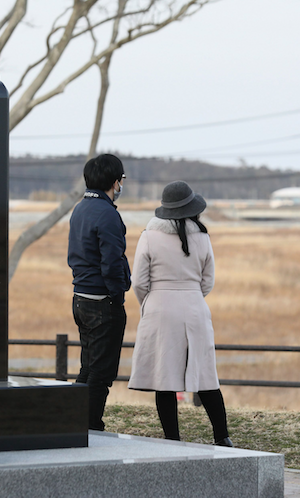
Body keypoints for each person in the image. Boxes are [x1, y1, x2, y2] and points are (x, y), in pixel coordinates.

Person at [128, 180, 232, 447]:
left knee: (164, 377)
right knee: (206, 375)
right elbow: (208, 281)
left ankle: (172, 440)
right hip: (195, 307)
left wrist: (151, 303)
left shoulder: (149, 236)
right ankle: (222, 436)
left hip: (160, 308)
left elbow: (138, 282)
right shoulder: (203, 237)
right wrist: (191, 296)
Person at [67, 153, 131, 431]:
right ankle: (91, 427)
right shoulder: (107, 214)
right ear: (115, 181)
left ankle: (74, 423)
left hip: (80, 298)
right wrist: (118, 297)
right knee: (101, 373)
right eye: (121, 179)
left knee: (88, 367)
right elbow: (112, 263)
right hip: (102, 302)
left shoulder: (80, 209)